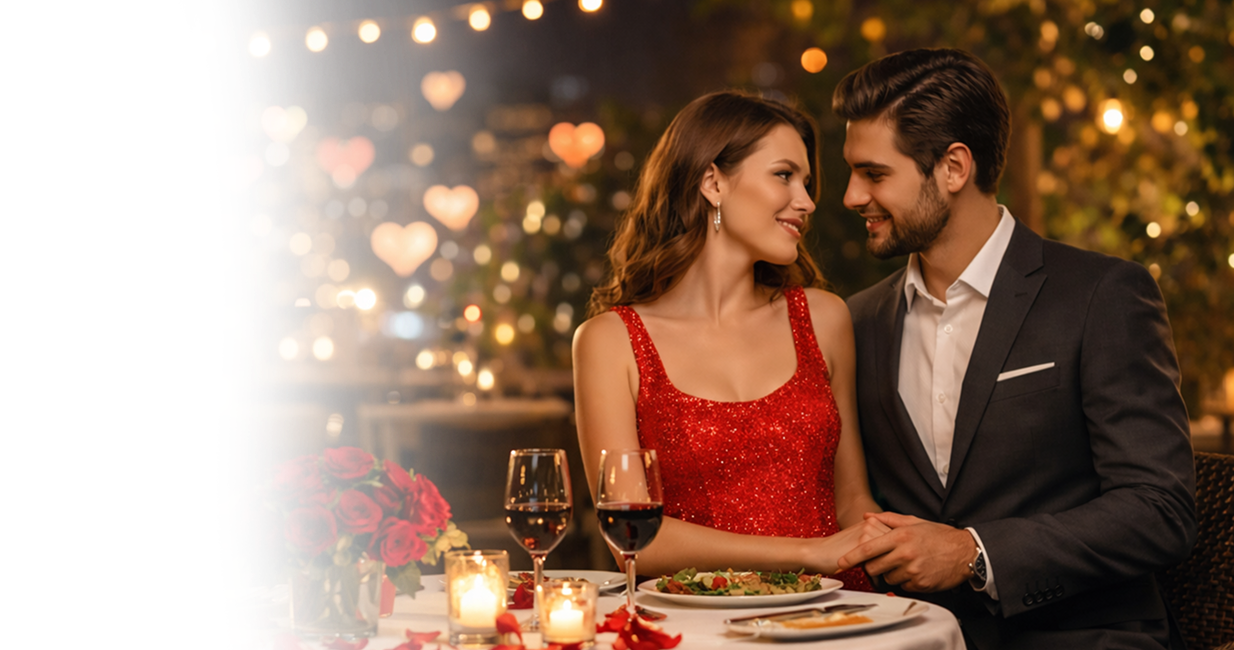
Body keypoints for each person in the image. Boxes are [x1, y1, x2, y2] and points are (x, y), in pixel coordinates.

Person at [832, 48, 1197, 648]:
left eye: (873, 174)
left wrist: (975, 553)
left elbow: (1160, 509)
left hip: (1083, 636)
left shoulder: (1102, 294)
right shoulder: (858, 320)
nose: (851, 196)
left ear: (954, 168)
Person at [572, 90, 887, 588]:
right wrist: (808, 553)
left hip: (834, 613)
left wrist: (900, 540)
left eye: (806, 183)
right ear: (713, 182)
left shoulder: (823, 318)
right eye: (784, 175)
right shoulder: (610, 342)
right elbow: (634, 537)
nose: (806, 202)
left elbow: (852, 501)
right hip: (697, 620)